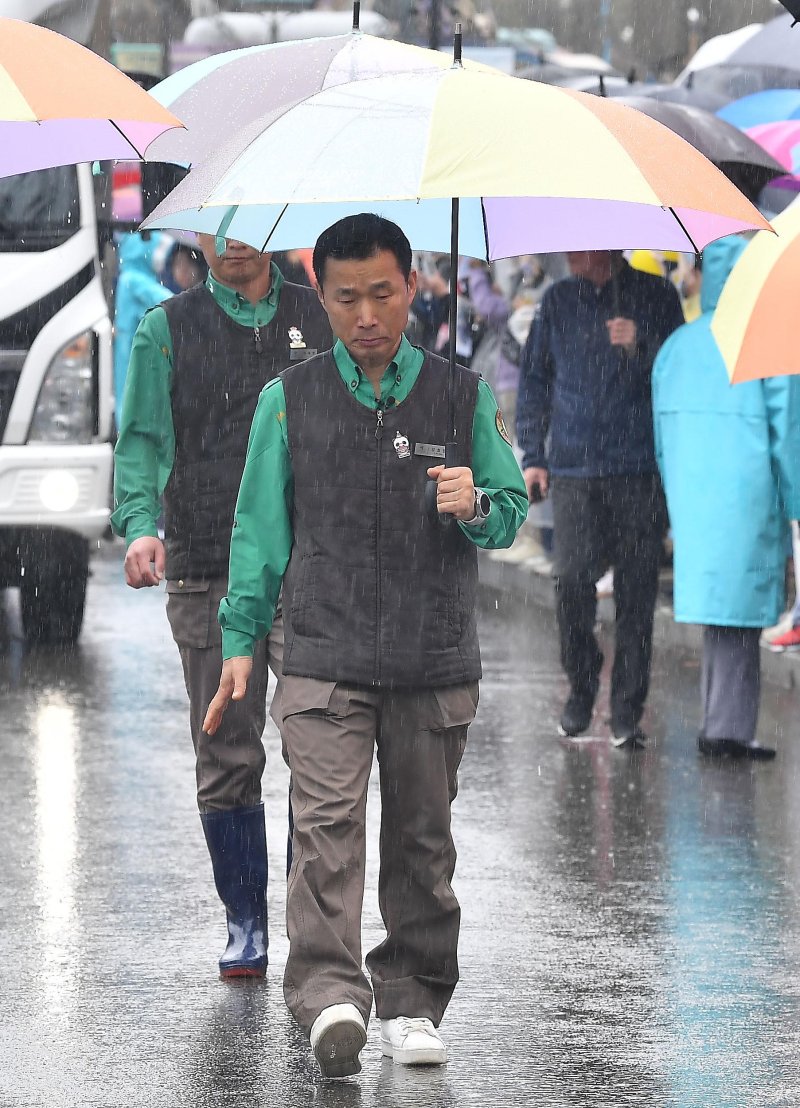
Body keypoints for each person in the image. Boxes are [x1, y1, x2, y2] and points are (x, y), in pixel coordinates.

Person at [203, 214, 527, 1078]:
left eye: (383, 293)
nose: (366, 315)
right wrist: (241, 641)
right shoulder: (291, 397)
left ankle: (415, 998)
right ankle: (331, 995)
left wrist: (476, 502)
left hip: (432, 660)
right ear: (324, 294)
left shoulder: (462, 396)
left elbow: (508, 509)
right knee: (326, 828)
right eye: (345, 298)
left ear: (412, 288)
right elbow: (258, 531)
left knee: (423, 842)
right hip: (320, 655)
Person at [111, 235, 332, 978]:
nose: (234, 241)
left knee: (319, 754)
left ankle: (315, 923)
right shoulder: (166, 329)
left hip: (308, 568)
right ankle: (245, 919)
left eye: (249, 225)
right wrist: (141, 523)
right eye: (219, 225)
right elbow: (140, 440)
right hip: (206, 564)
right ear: (198, 233)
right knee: (225, 751)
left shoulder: (322, 313)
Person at [516, 249, 684, 747]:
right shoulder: (558, 300)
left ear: (608, 245)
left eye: (580, 244)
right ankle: (582, 683)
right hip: (574, 469)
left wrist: (643, 344)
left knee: (637, 595)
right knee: (570, 580)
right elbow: (534, 379)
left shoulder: (656, 296)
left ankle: (628, 709)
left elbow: (680, 372)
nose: (569, 254)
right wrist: (533, 454)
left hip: (639, 469)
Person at [652, 236, 800, 760]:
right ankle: (729, 731)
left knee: (721, 616)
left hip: (694, 499)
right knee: (739, 617)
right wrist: (795, 503)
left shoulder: (677, 347)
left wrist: (675, 496)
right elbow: (787, 433)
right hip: (750, 494)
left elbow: (660, 436)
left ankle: (720, 720)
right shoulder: (767, 345)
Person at [112, 230, 173, 426]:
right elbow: (170, 301)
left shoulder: (128, 277)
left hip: (129, 345)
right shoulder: (134, 280)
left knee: (128, 392)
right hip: (136, 347)